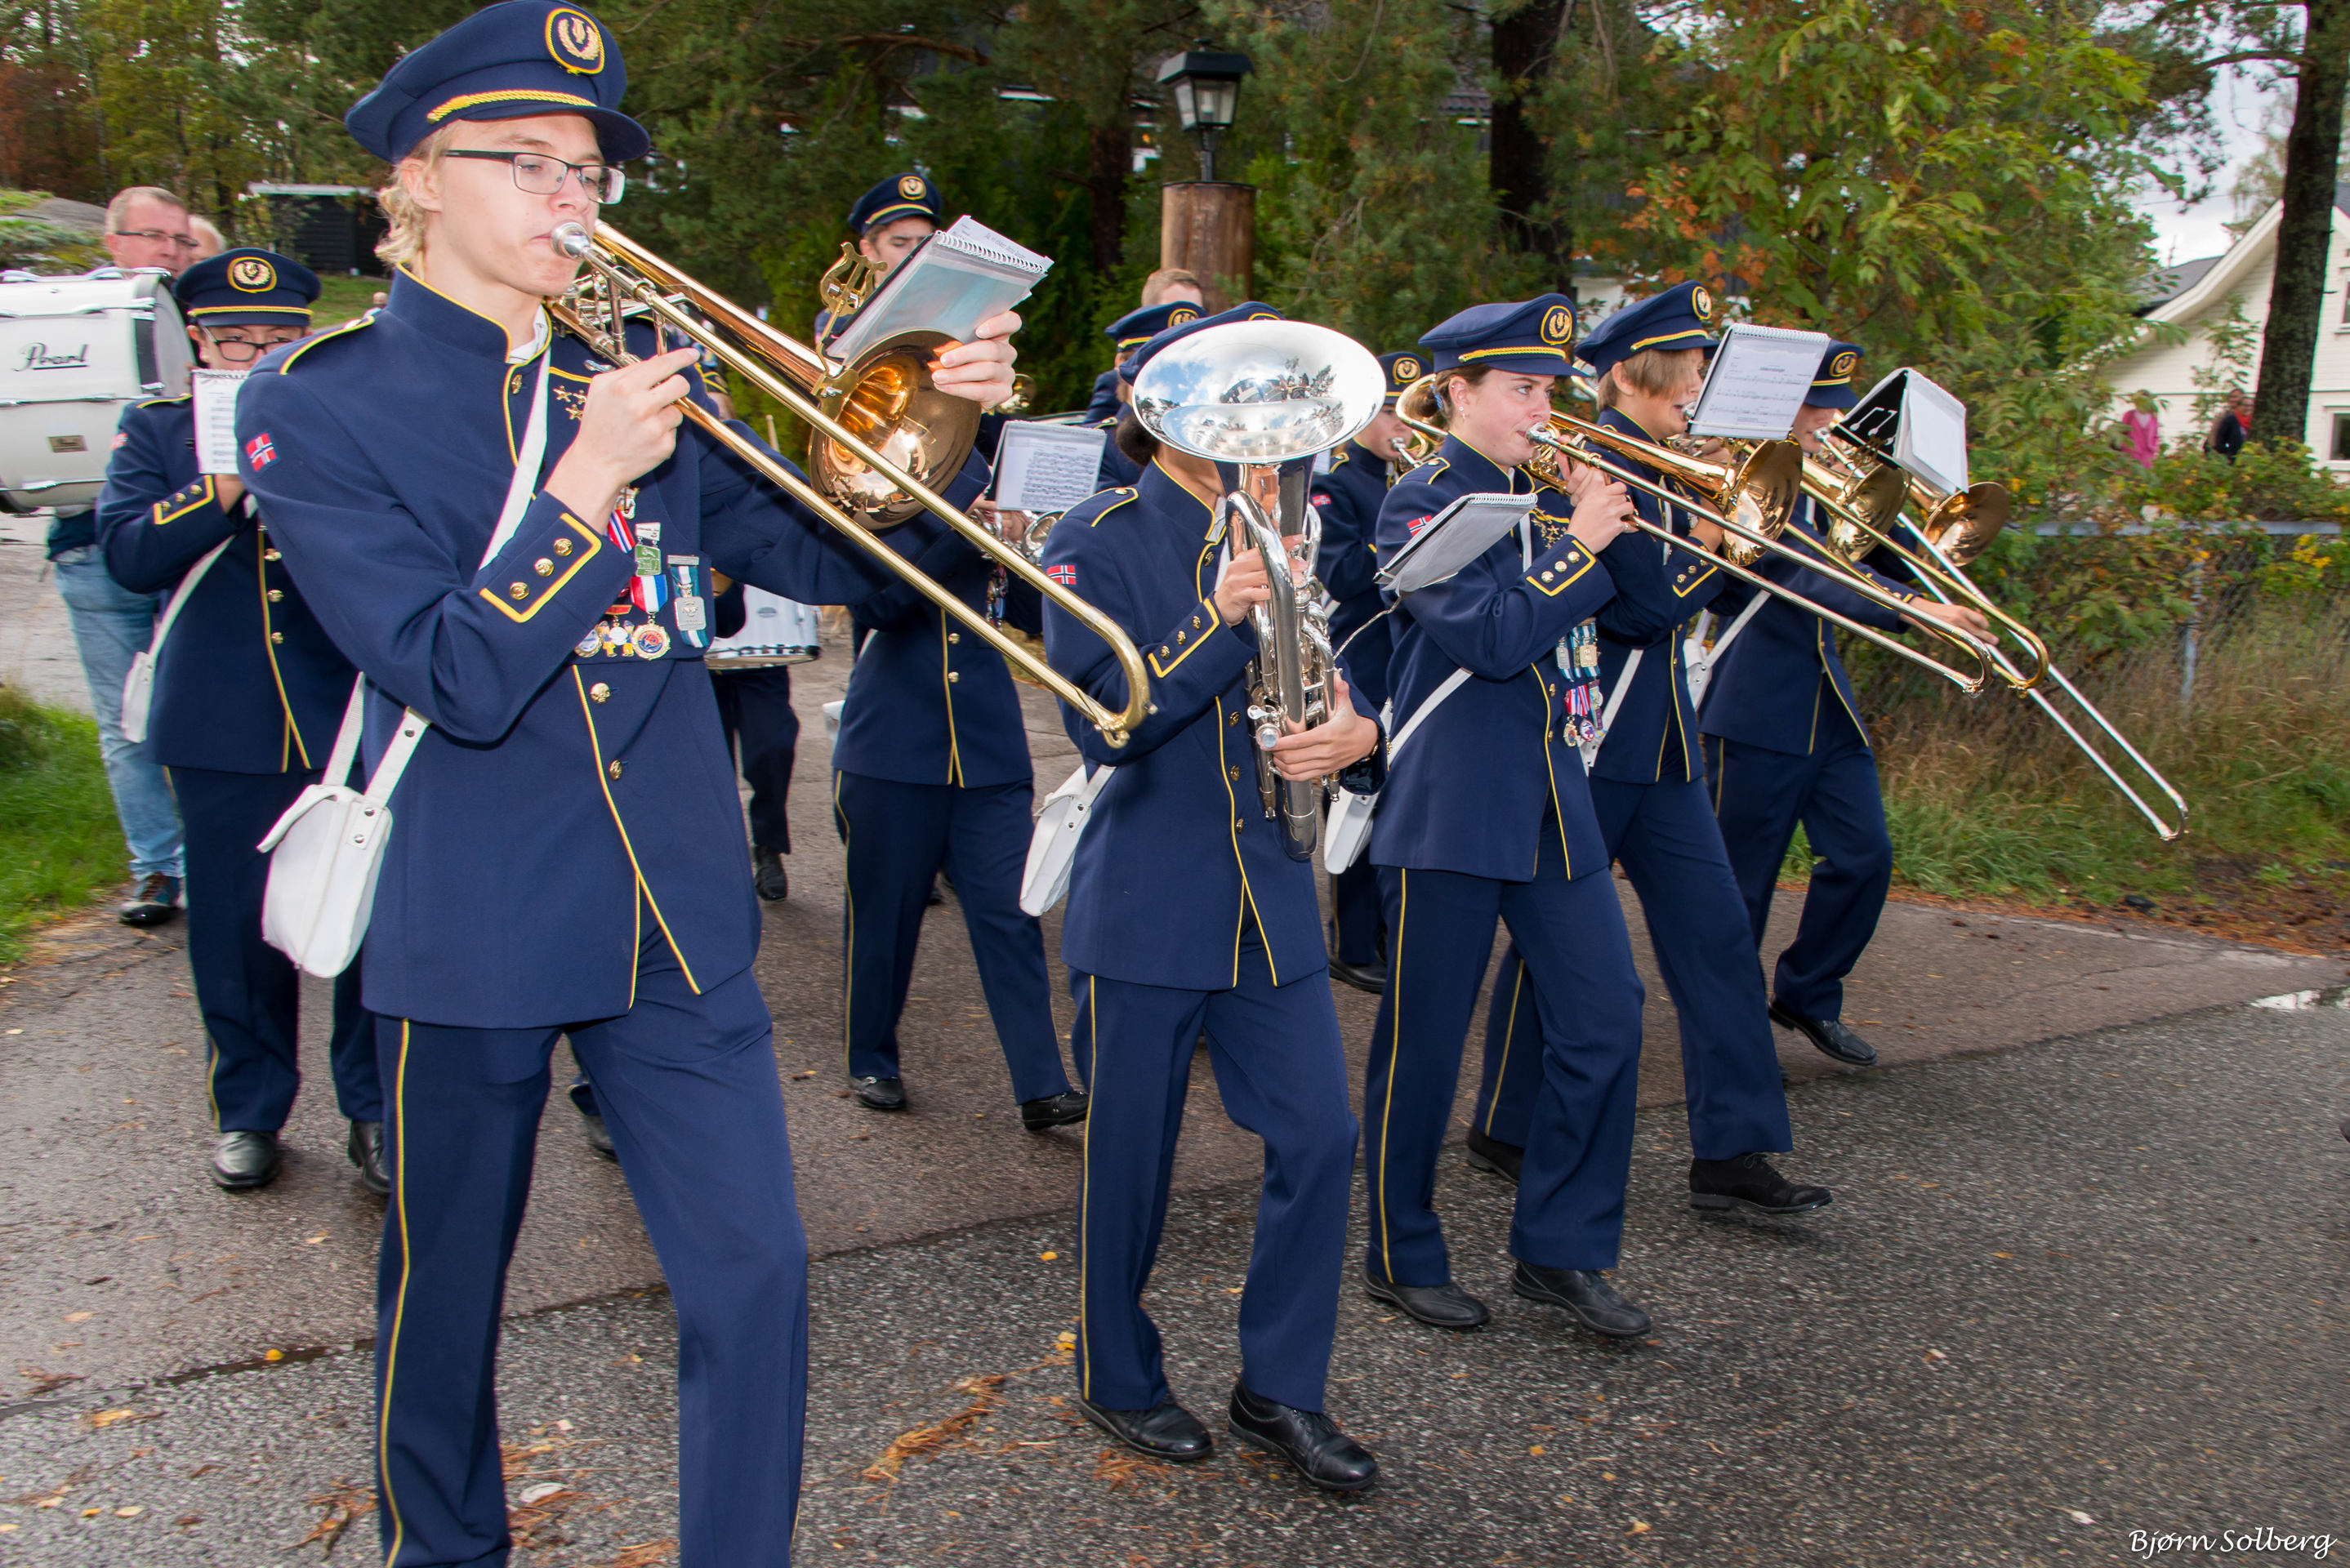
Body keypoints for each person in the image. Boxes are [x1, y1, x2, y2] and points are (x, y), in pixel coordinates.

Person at [234, 7, 1020, 1563]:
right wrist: (589, 477)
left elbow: (848, 564)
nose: (568, 198)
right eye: (524, 161)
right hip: (470, 917)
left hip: (674, 912)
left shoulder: (639, 377)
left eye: (586, 171)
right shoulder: (318, 406)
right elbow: (453, 673)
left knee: (755, 1277)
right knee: (448, 1288)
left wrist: (949, 429)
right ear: (415, 178)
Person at [1039, 302, 1385, 1492]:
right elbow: (1105, 723)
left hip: (1270, 898)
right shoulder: (1097, 534)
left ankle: (1278, 1386)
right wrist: (1220, 617)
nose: (1272, 434)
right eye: (1245, 404)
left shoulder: (1296, 524)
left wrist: (1358, 733)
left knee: (1320, 1134)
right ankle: (1115, 1375)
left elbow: (1339, 675)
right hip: (1151, 896)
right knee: (1129, 1163)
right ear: (1170, 411)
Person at [1456, 282, 1831, 1226]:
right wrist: (1715, 539)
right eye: (1689, 371)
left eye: (1703, 370)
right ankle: (1506, 1121)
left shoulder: (1687, 464)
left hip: (1665, 746)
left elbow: (1714, 596)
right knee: (1553, 949)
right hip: (1594, 739)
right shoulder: (1582, 464)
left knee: (1718, 940)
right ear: (1632, 375)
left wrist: (1747, 522)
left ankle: (1734, 1151)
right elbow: (1644, 608)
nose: (1700, 388)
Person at [1358, 294, 1657, 1341]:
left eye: (1551, 390)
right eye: (1523, 389)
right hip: (1452, 802)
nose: (1543, 408)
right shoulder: (1419, 503)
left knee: (1606, 1015)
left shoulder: (1547, 498)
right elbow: (1489, 640)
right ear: (1457, 393)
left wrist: (1629, 523)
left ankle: (1561, 1247)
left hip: (1552, 799)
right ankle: (1399, 1251)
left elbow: (1643, 615)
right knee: (1425, 1044)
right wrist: (1578, 543)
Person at [94, 247, 385, 1196]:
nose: (257, 356)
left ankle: (373, 1109)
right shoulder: (157, 431)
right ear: (196, 342)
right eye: (234, 341)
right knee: (234, 926)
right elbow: (127, 555)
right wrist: (218, 490)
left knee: (364, 916)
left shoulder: (345, 421)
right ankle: (250, 1110)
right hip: (222, 719)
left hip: (345, 707)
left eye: (279, 339)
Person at [1701, 339, 1989, 1069]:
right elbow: (1805, 573)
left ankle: (1806, 993)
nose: (1828, 420)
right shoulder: (1748, 476)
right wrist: (1909, 608)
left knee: (1864, 856)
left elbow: (1883, 561)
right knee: (1741, 886)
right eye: (1814, 407)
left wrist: (1921, 530)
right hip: (1754, 706)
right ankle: (1729, 1034)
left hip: (1825, 702)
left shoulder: (1831, 477)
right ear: (1779, 407)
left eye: (1835, 406)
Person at [829, 502, 1088, 1129]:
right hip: (891, 751)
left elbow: (1037, 620)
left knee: (1011, 916)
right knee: (884, 917)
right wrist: (956, 531)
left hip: (986, 754)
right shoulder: (888, 519)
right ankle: (870, 1058)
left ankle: (1040, 1085)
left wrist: (1017, 549)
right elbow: (879, 607)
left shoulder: (988, 534)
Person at [49, 185, 201, 926]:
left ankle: (218, 856)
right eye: (151, 236)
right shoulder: (67, 323)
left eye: (180, 239)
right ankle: (157, 868)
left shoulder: (208, 319)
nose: (167, 251)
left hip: (200, 545)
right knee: (125, 722)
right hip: (92, 545)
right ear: (112, 242)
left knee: (205, 713)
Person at [1306, 350, 1420, 992]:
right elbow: (1347, 573)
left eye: (1407, 410)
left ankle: (1387, 928)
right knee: (1358, 795)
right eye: (1386, 411)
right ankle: (1351, 941)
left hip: (1411, 662)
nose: (1400, 425)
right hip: (1365, 656)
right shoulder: (1338, 486)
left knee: (1401, 805)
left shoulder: (1420, 478)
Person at [813, 172, 942, 346]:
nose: (917, 252)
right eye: (899, 244)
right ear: (869, 250)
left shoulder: (950, 305)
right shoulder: (841, 318)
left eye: (925, 242)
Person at [1091, 300, 1202, 492]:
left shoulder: (1203, 438)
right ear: (1121, 363)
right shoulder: (1097, 445)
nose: (1172, 375)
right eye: (1156, 362)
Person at [1082, 267, 1206, 424]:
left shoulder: (1204, 375)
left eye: (1196, 309)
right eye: (1175, 307)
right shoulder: (1116, 380)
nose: (1186, 318)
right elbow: (1097, 434)